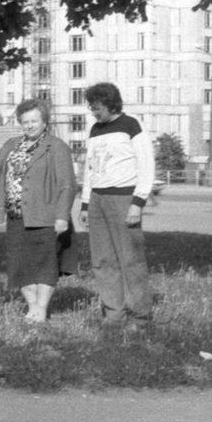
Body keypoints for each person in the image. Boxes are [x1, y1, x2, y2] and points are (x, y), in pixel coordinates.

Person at [0, 98, 76, 323]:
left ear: (45, 122)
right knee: (20, 265)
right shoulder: (13, 144)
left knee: (45, 266)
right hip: (16, 217)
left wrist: (62, 216)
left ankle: (41, 309)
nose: (29, 125)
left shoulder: (56, 147)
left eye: (34, 121)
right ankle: (32, 307)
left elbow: (67, 184)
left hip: (45, 217)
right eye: (25, 121)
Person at [79, 82, 155, 332]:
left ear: (111, 104)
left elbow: (146, 165)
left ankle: (140, 317)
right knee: (103, 260)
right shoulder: (95, 130)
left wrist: (138, 202)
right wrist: (85, 203)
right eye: (91, 108)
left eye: (97, 107)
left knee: (130, 260)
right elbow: (90, 169)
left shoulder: (131, 125)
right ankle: (114, 315)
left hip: (124, 198)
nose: (94, 112)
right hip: (97, 199)